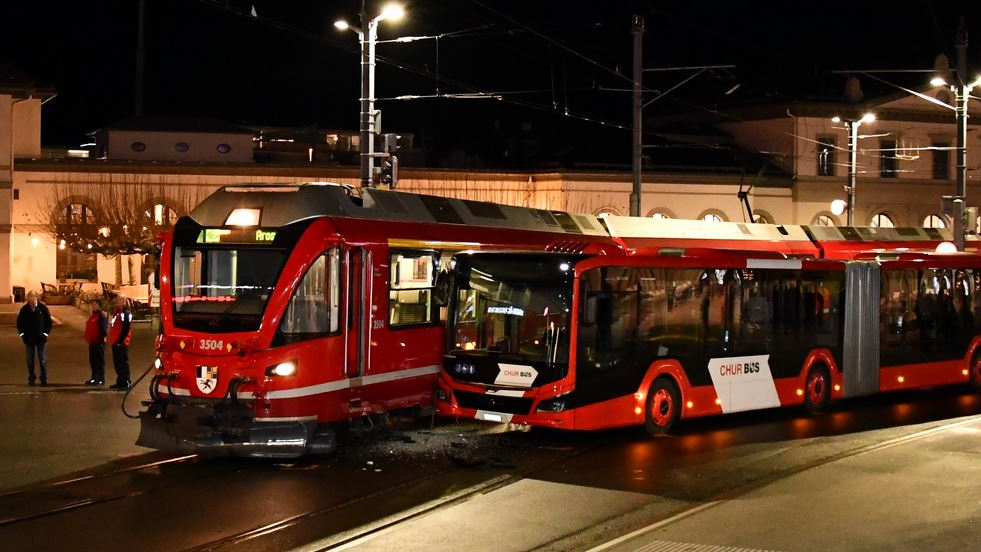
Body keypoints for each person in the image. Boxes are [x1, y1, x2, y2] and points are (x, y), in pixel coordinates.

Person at [16, 290, 52, 386]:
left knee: (42, 359)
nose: (31, 299)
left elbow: (48, 322)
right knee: (30, 360)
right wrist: (22, 335)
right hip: (29, 339)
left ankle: (43, 378)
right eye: (30, 297)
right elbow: (19, 323)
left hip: (41, 339)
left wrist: (45, 334)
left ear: (37, 297)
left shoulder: (43, 308)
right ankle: (32, 377)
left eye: (33, 296)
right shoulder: (24, 309)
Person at [108, 295, 133, 390]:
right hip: (116, 341)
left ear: (123, 301)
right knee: (117, 363)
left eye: (118, 300)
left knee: (122, 363)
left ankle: (125, 382)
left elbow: (126, 327)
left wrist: (120, 340)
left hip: (121, 342)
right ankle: (120, 381)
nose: (116, 301)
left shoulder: (125, 312)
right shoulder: (118, 312)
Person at [84, 299, 108, 386]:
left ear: (99, 305)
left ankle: (101, 379)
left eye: (95, 304)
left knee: (99, 361)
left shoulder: (101, 316)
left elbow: (103, 330)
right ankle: (94, 378)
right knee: (93, 361)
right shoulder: (94, 315)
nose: (93, 306)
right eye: (92, 304)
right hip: (93, 342)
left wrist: (99, 340)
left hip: (99, 343)